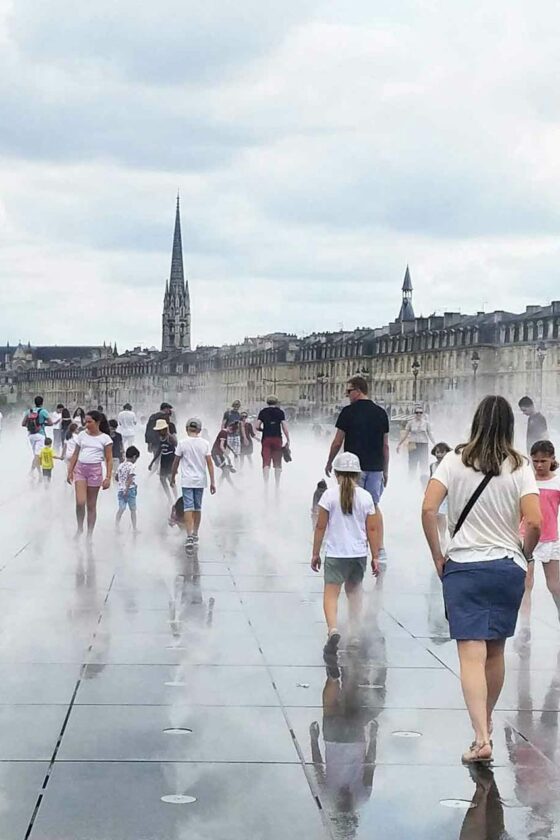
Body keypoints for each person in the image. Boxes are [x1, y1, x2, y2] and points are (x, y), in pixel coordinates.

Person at [422, 395, 541, 765]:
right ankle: (485, 721)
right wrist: (524, 552)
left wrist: (438, 555)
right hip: (506, 566)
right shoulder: (520, 466)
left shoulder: (453, 460)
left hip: (464, 565)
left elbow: (428, 508)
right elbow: (535, 521)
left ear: (476, 421)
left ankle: (481, 737)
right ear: (509, 426)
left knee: (470, 656)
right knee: (495, 651)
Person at [312, 451, 380, 656]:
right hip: (358, 554)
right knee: (354, 594)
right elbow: (373, 529)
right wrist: (375, 556)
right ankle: (354, 634)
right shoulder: (366, 497)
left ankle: (333, 630)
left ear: (337, 474)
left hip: (335, 553)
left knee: (331, 595)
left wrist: (315, 553)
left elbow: (321, 527)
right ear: (358, 474)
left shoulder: (329, 495)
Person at [326, 376, 389, 563]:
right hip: (376, 467)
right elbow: (385, 446)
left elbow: (337, 441)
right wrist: (386, 470)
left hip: (352, 468)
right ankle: (380, 548)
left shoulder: (348, 412)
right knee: (374, 506)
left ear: (358, 390)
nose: (347, 395)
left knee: (351, 504)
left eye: (349, 391)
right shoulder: (381, 413)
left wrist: (329, 462)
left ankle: (356, 544)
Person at [522, 440, 560, 622]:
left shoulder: (557, 481)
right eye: (535, 461)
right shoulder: (526, 479)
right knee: (526, 584)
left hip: (550, 539)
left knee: (554, 585)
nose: (539, 465)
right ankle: (525, 624)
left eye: (543, 461)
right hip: (527, 536)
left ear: (552, 459)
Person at [170, 418, 216, 551]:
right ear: (199, 430)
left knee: (188, 508)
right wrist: (212, 481)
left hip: (187, 480)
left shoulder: (182, 443)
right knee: (197, 507)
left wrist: (173, 476)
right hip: (200, 480)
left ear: (186, 429)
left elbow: (176, 462)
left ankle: (189, 535)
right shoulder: (205, 443)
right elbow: (209, 463)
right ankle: (195, 533)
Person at [67, 410, 113, 540]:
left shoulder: (105, 439)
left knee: (91, 505)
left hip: (95, 471)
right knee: (80, 502)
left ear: (97, 422)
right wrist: (70, 470)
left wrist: (108, 477)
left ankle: (89, 534)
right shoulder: (81, 435)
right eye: (85, 421)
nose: (86, 424)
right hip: (80, 470)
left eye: (89, 422)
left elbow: (109, 459)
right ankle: (80, 527)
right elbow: (75, 454)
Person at [256, 395, 290, 491]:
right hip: (277, 438)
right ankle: (277, 484)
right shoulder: (280, 412)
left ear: (267, 402)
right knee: (277, 462)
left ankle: (266, 484)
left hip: (266, 438)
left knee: (266, 461)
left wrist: (264, 429)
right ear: (276, 402)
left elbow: (257, 426)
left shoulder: (263, 412)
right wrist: (288, 439)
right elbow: (284, 426)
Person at [397, 405, 435, 476]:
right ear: (415, 413)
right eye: (417, 412)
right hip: (413, 443)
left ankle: (423, 479)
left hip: (423, 444)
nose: (419, 414)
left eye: (420, 413)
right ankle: (411, 480)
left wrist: (435, 444)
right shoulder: (410, 423)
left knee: (423, 463)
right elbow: (405, 435)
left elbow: (430, 435)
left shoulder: (426, 423)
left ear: (422, 413)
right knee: (412, 463)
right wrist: (399, 444)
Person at [22, 395, 53, 476]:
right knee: (38, 455)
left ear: (34, 402)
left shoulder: (29, 411)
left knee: (36, 455)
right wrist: (42, 424)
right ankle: (31, 472)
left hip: (31, 435)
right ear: (42, 403)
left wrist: (31, 426)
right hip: (40, 434)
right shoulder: (43, 411)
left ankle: (39, 474)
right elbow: (51, 423)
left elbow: (23, 424)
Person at [429, 442, 452, 551]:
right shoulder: (432, 466)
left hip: (450, 494)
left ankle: (452, 536)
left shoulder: (450, 466)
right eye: (437, 452)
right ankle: (442, 537)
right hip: (439, 494)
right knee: (440, 515)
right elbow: (431, 480)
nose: (439, 455)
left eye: (442, 452)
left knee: (451, 516)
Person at [148, 418, 177, 501]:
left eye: (160, 430)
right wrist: (152, 462)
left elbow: (176, 445)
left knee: (170, 479)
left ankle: (175, 497)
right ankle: (169, 498)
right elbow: (159, 451)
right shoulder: (161, 438)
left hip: (170, 459)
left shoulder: (169, 437)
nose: (158, 432)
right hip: (164, 460)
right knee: (162, 478)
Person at [115, 446, 140, 532]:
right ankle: (134, 528)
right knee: (133, 510)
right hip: (130, 490)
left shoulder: (121, 465)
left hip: (120, 490)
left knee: (121, 508)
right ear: (134, 457)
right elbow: (130, 478)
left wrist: (122, 483)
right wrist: (127, 488)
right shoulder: (132, 466)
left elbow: (116, 478)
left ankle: (116, 526)